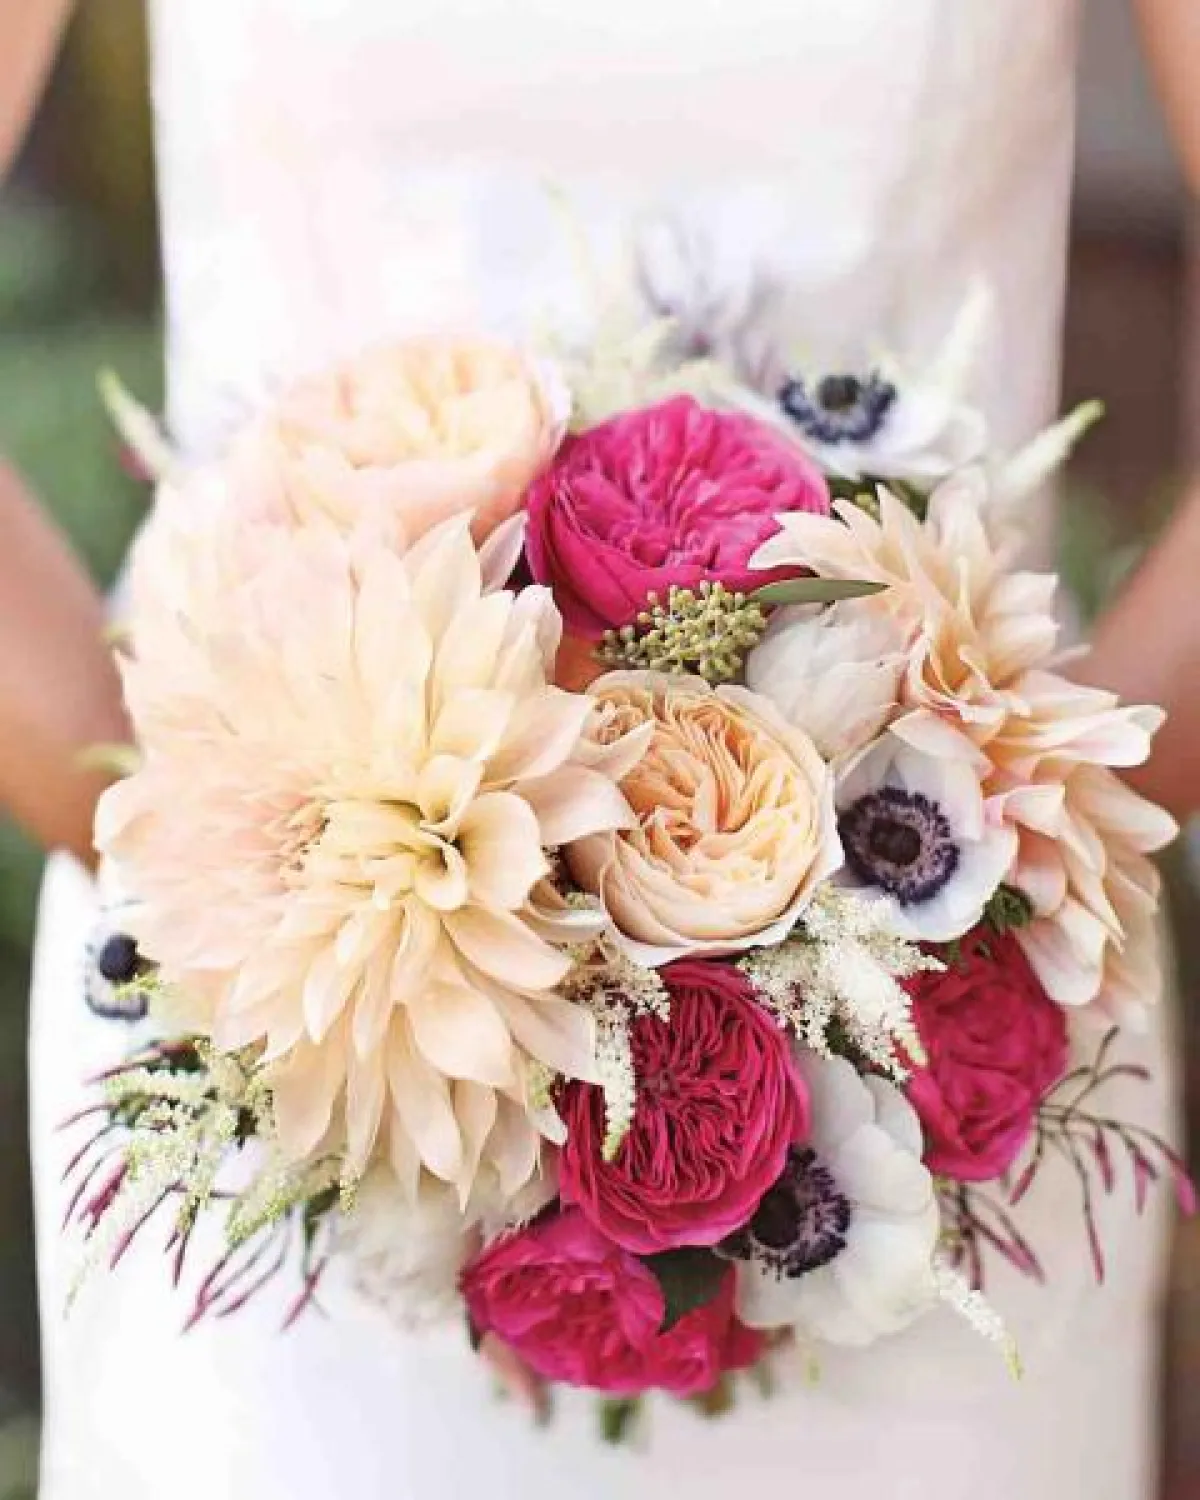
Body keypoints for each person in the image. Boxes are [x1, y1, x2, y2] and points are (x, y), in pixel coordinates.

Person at [3, 2, 1200, 1496]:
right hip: (296, 1055)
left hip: (958, 1065)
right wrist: (249, 915)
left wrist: (988, 903)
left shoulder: (968, 956)